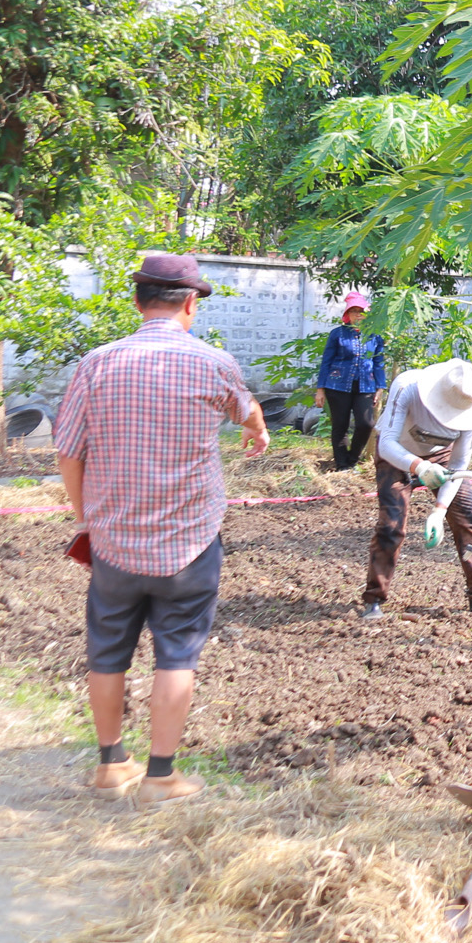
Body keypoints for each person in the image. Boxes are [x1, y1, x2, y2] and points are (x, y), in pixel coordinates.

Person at [54, 253, 269, 808]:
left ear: (137, 301)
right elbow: (247, 409)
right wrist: (258, 429)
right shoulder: (213, 363)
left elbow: (68, 451)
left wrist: (86, 518)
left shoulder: (96, 364)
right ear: (191, 303)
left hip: (114, 543)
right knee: (177, 656)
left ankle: (110, 765)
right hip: (190, 544)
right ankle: (160, 777)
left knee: (106, 652)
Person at [362, 357, 472, 621]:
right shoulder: (408, 387)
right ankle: (374, 599)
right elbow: (386, 443)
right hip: (397, 453)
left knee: (470, 519)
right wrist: (420, 467)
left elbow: (458, 464)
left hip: (442, 457)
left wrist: (440, 510)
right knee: (391, 525)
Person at [313, 291, 387, 471]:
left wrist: (380, 387)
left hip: (365, 386)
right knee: (340, 425)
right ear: (347, 314)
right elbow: (326, 362)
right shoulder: (337, 334)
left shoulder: (375, 336)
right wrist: (320, 389)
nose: (358, 315)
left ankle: (353, 459)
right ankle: (342, 465)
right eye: (354, 311)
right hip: (337, 386)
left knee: (366, 424)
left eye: (361, 311)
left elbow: (378, 362)